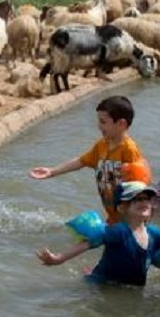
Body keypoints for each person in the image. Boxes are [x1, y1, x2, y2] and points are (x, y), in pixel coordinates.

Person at [37, 181, 160, 286]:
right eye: (137, 199)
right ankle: (90, 272)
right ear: (123, 207)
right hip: (103, 284)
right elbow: (89, 243)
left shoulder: (155, 234)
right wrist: (59, 259)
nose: (144, 202)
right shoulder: (119, 232)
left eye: (147, 198)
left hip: (132, 286)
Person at [30, 95, 149, 224]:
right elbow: (81, 161)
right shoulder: (102, 145)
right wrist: (52, 171)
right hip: (112, 216)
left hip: (129, 219)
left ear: (121, 124)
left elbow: (138, 186)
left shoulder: (129, 150)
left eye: (103, 122)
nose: (99, 126)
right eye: (98, 121)